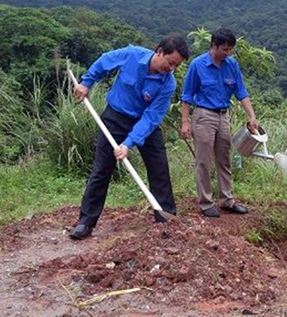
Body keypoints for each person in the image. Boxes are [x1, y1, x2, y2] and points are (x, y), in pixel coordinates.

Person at [70, 35, 190, 240]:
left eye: (176, 66)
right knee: (101, 170)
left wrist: (128, 143)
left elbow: (151, 118)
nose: (172, 69)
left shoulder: (168, 84)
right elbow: (105, 61)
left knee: (159, 169)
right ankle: (86, 222)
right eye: (170, 63)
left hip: (145, 124)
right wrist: (87, 82)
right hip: (115, 117)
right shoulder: (132, 54)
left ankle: (166, 220)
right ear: (159, 52)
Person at [181, 28, 258, 217]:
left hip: (224, 115)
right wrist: (185, 122)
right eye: (224, 49)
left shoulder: (231, 65)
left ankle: (227, 200)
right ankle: (206, 202)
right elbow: (187, 95)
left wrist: (252, 116)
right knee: (204, 161)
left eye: (230, 49)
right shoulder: (197, 65)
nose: (227, 53)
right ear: (214, 46)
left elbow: (241, 92)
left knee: (224, 159)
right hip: (204, 115)